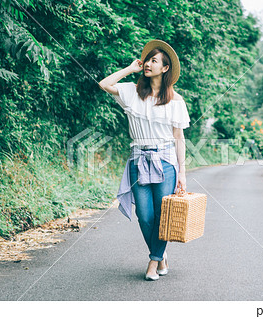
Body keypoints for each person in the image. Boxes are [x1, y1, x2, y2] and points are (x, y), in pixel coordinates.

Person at [98, 39, 190, 281]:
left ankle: (153, 261)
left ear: (165, 68)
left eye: (154, 61)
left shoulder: (176, 101)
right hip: (139, 158)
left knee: (162, 215)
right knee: (145, 216)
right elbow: (104, 84)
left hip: (165, 160)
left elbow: (178, 138)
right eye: (147, 60)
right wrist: (131, 68)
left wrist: (182, 173)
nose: (148, 64)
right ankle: (161, 254)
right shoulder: (131, 91)